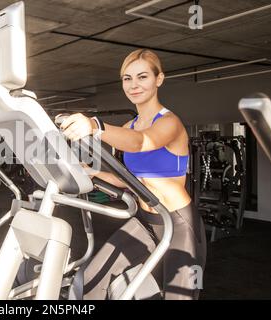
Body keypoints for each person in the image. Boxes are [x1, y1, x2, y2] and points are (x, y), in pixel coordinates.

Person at [60, 49, 207, 300]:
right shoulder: (129, 126)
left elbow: (141, 142)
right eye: (127, 78)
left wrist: (95, 126)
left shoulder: (170, 122)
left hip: (180, 224)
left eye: (142, 77)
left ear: (159, 79)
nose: (134, 85)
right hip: (144, 220)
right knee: (93, 281)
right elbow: (131, 179)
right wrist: (91, 172)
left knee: (178, 296)